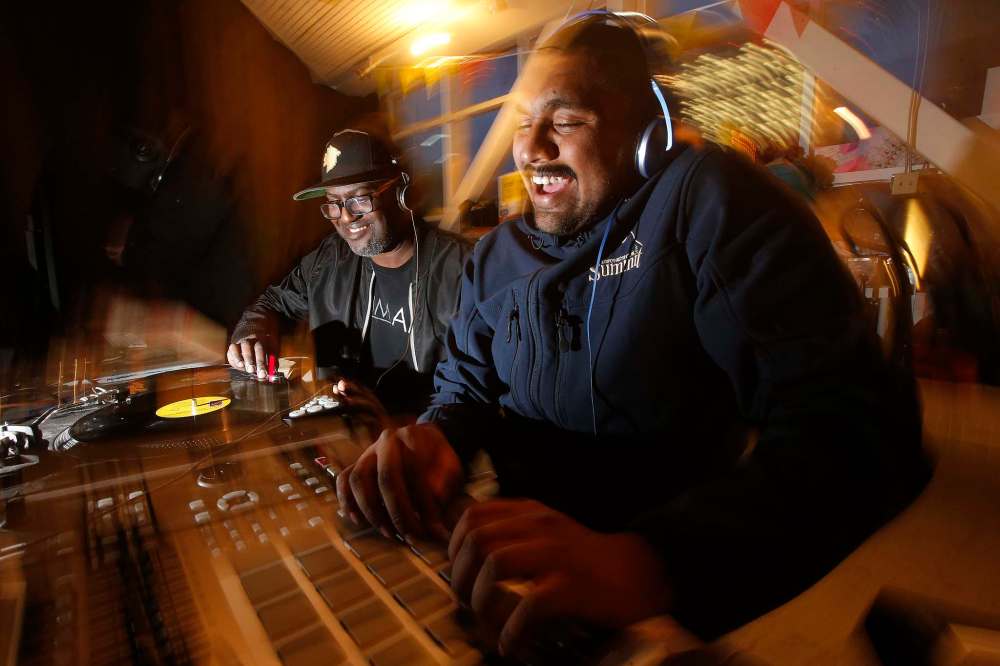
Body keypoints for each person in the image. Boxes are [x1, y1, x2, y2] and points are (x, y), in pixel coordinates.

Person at [334, 12, 929, 658]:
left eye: (566, 121)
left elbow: (861, 429)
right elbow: (464, 388)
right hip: (511, 581)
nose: (532, 148)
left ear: (647, 136)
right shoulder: (495, 258)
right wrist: (438, 438)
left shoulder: (707, 206)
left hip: (652, 611)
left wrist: (653, 562)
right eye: (524, 122)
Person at [228, 127, 471, 414]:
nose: (345, 217)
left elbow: (474, 394)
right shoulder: (330, 259)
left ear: (402, 194)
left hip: (424, 435)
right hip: (345, 431)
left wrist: (395, 420)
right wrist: (252, 332)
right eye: (334, 203)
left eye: (359, 199)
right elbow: (273, 302)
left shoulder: (464, 271)